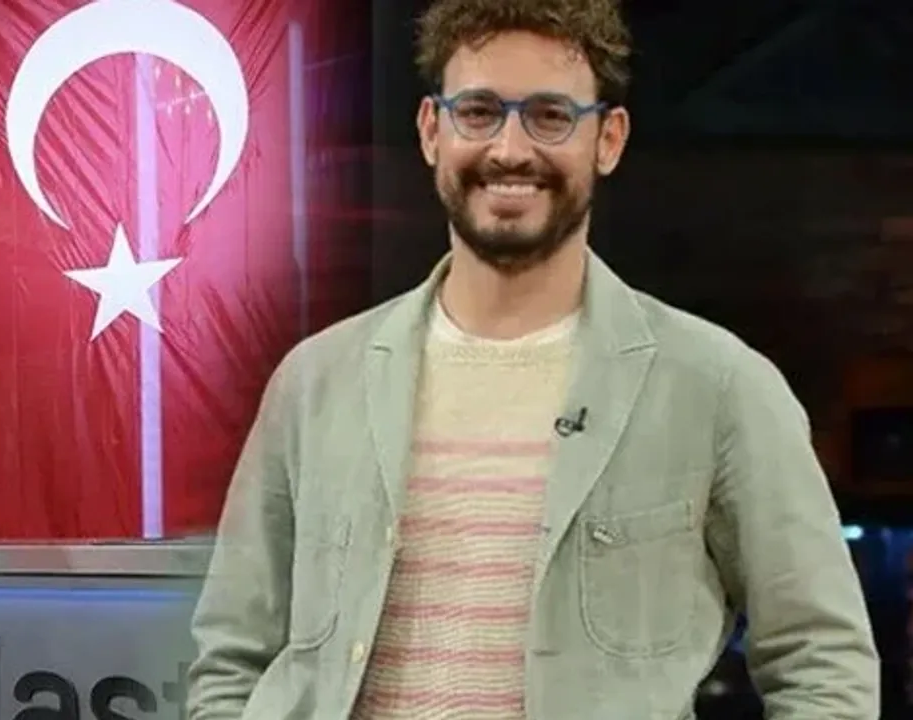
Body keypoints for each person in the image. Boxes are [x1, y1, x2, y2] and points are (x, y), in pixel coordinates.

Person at [186, 0, 879, 717]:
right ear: (431, 130)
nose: (510, 149)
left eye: (550, 116)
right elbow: (231, 660)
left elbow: (824, 663)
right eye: (478, 112)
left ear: (608, 139)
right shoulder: (315, 383)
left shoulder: (719, 387)